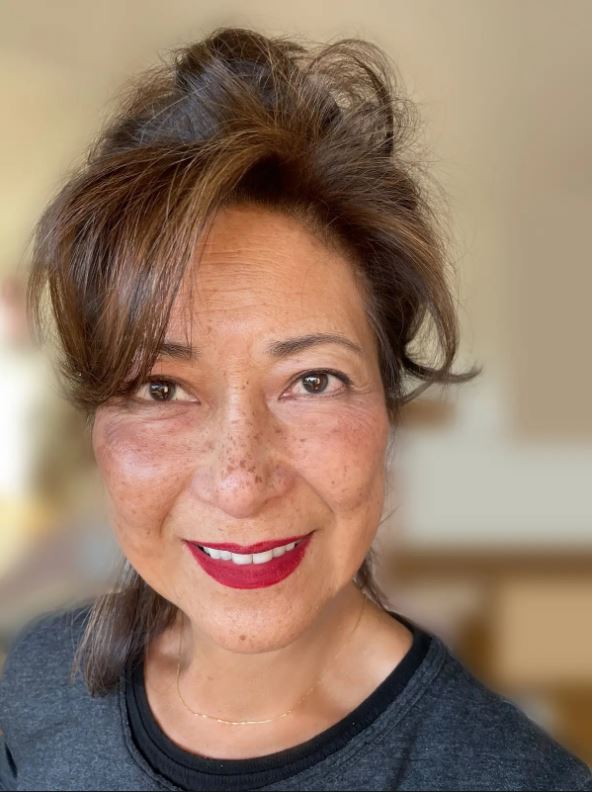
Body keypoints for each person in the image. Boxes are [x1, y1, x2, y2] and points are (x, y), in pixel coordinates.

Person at [0, 27, 590, 792]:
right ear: (96, 430)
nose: (240, 482)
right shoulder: (36, 686)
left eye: (312, 381)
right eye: (162, 388)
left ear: (387, 413)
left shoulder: (515, 779)